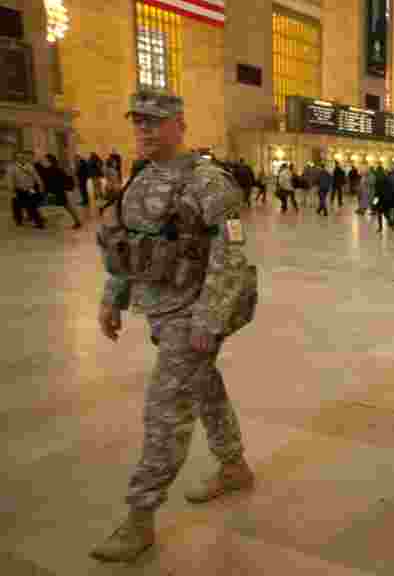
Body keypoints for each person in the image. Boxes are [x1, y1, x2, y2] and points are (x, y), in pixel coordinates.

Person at [91, 89, 257, 563]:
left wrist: (208, 318)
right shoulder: (140, 178)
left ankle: (139, 519)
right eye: (138, 121)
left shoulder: (208, 182)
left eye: (154, 122)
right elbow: (126, 243)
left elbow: (232, 258)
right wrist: (113, 299)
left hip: (192, 314)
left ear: (180, 124)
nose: (143, 130)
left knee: (164, 412)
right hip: (160, 308)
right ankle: (233, 466)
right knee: (204, 388)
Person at [39, 154, 83, 229]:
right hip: (51, 191)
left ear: (50, 161)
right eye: (43, 160)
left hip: (58, 191)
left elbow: (66, 178)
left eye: (45, 160)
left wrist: (69, 187)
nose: (43, 161)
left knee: (67, 206)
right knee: (41, 203)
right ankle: (42, 218)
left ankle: (77, 221)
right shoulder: (45, 169)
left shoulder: (56, 169)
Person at [6, 150, 46, 228]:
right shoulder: (11, 168)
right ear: (15, 159)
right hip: (19, 190)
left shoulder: (30, 166)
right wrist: (12, 190)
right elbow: (9, 179)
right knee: (17, 205)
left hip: (30, 189)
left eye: (22, 157)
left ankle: (38, 222)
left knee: (32, 205)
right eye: (19, 157)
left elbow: (36, 176)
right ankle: (19, 220)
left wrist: (40, 185)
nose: (21, 158)